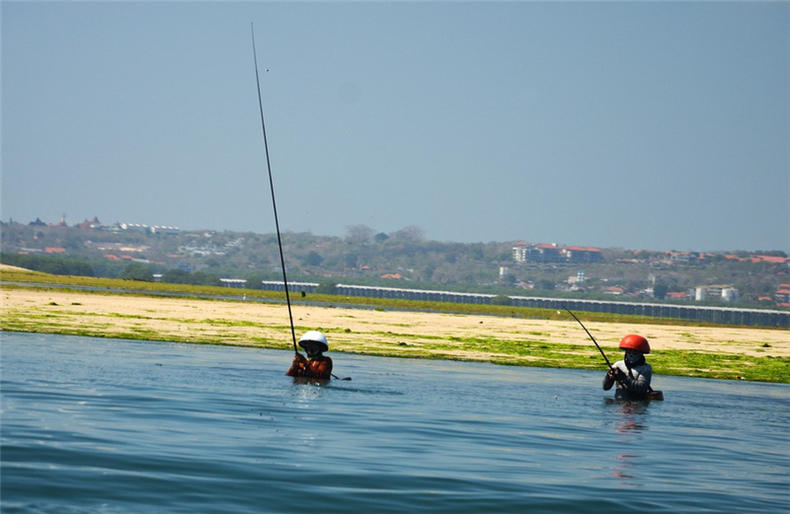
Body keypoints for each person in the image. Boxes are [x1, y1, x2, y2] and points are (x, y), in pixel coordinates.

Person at [603, 334, 652, 400]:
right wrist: (609, 377)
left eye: (635, 352)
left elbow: (641, 388)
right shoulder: (617, 365)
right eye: (629, 351)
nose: (631, 354)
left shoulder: (646, 368)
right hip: (619, 404)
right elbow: (606, 387)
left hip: (637, 406)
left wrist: (623, 377)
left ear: (641, 353)